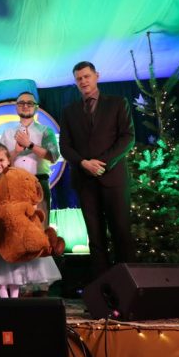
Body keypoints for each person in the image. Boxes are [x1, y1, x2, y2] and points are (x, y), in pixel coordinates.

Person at [60, 61, 135, 278]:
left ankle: (128, 287)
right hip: (85, 181)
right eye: (79, 78)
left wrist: (102, 163)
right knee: (95, 238)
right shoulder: (69, 111)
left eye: (87, 76)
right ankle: (103, 287)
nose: (83, 81)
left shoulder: (118, 103)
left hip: (114, 179)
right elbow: (65, 146)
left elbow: (128, 138)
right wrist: (84, 163)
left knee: (121, 233)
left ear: (97, 76)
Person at [0, 143, 61, 298]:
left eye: (1, 160)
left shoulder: (17, 180)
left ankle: (14, 299)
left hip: (13, 232)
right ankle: (4, 299)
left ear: (8, 160)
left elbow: (30, 200)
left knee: (15, 267)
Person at [0, 91, 60, 222]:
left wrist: (30, 145)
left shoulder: (46, 131)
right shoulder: (7, 133)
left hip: (39, 183)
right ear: (16, 107)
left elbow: (54, 156)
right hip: (14, 185)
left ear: (36, 107)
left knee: (41, 226)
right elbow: (1, 164)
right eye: (21, 103)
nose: (25, 106)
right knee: (16, 226)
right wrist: (16, 151)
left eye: (30, 103)